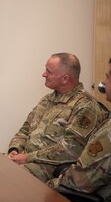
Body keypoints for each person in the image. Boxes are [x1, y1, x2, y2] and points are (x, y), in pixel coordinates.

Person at [8, 53, 108, 182]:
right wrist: (15, 150)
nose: (43, 74)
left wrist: (27, 157)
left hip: (48, 167)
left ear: (65, 79)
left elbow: (71, 149)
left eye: (49, 72)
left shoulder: (85, 106)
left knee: (6, 178)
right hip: (24, 159)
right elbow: (25, 130)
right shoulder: (47, 100)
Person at [47, 58, 111, 200]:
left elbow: (77, 182)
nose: (104, 81)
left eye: (108, 76)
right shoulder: (47, 99)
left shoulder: (108, 132)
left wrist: (46, 186)